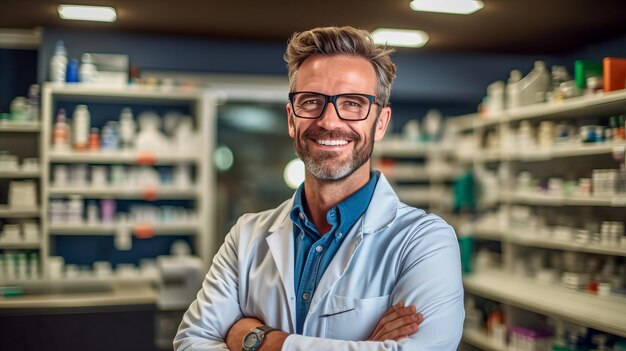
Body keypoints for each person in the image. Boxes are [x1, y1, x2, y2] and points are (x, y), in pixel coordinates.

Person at [174, 26, 464, 351]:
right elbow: (191, 342)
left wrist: (259, 341)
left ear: (380, 122)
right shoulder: (246, 237)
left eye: (353, 103)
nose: (329, 121)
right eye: (311, 101)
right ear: (290, 119)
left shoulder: (424, 242)